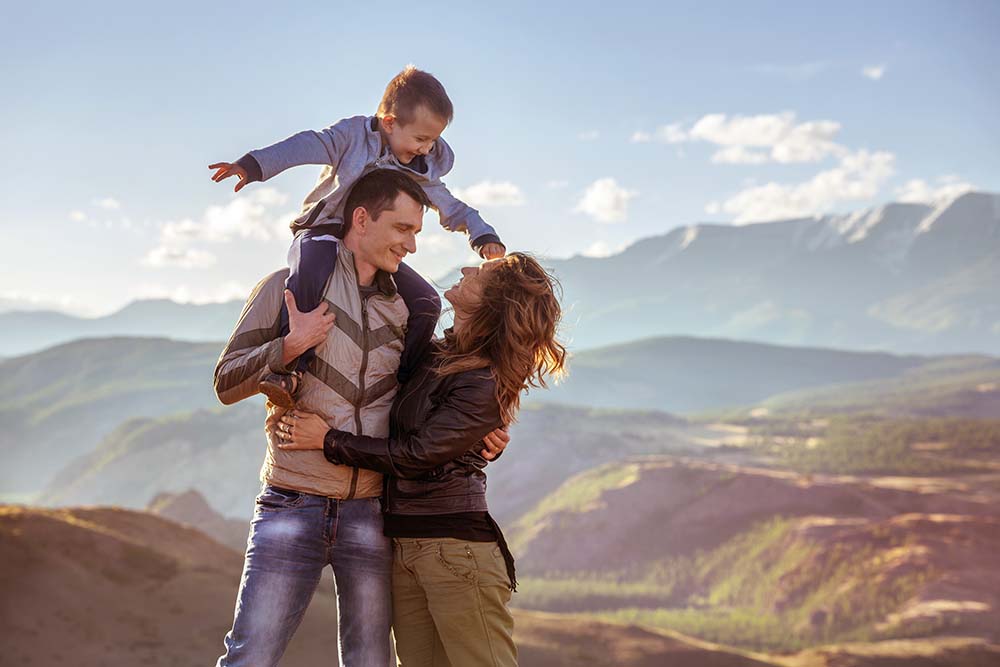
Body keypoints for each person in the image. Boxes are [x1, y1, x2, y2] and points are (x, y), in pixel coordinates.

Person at [211, 169, 509, 667]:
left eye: (417, 231)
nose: (412, 245)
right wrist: (290, 344)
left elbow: (437, 398)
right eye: (402, 229)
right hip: (291, 502)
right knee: (250, 657)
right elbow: (225, 383)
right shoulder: (287, 290)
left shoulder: (411, 311)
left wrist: (485, 434)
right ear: (362, 218)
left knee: (372, 663)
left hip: (372, 514)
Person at [276, 252, 568, 667]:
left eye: (479, 274)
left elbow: (416, 455)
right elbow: (390, 264)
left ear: (493, 301)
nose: (466, 269)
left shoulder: (481, 378)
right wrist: (344, 230)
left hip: (455, 550)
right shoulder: (437, 355)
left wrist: (328, 440)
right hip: (404, 545)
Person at [209, 65, 506, 407]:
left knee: (427, 300)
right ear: (390, 122)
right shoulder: (352, 137)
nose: (426, 149)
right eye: (421, 139)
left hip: (367, 256)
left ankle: (408, 384)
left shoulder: (418, 170)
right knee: (311, 272)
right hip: (324, 231)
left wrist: (482, 234)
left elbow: (449, 204)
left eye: (433, 141)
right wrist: (254, 165)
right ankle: (293, 371)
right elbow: (308, 144)